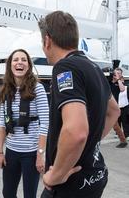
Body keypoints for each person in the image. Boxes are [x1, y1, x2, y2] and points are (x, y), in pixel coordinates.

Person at [38, 11, 120, 198]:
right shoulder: (94, 68)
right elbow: (113, 111)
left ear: (47, 41)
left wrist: (55, 175)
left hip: (70, 185)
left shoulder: (64, 68)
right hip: (94, 176)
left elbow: (76, 131)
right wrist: (90, 145)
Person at [0, 49, 49, 198]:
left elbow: (45, 123)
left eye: (24, 60)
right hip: (11, 152)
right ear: (10, 65)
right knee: (8, 193)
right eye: (16, 59)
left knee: (29, 194)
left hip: (31, 154)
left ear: (29, 65)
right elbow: (2, 123)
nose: (20, 62)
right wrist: (0, 151)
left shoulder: (38, 89)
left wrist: (40, 155)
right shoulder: (6, 90)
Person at [110, 68, 128, 148]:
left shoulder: (121, 83)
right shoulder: (109, 81)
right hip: (109, 105)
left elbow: (122, 89)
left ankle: (123, 139)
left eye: (119, 73)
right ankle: (122, 138)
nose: (117, 74)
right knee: (115, 124)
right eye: (116, 73)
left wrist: (118, 79)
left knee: (118, 123)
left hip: (118, 106)